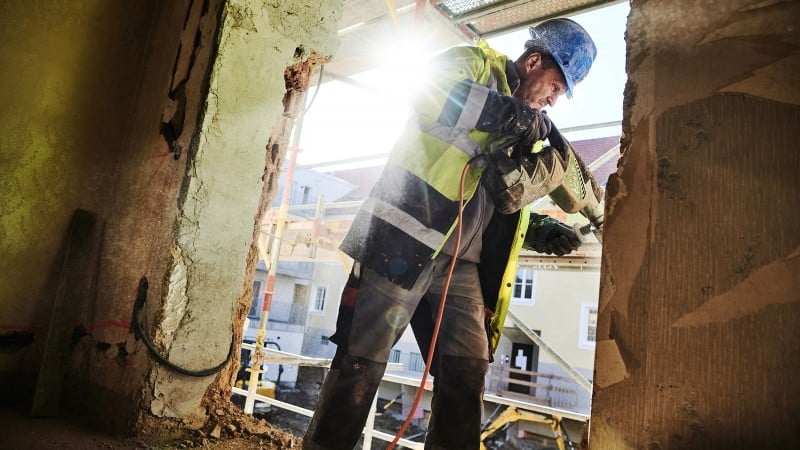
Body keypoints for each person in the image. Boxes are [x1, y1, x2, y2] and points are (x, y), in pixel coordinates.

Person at [303, 18, 597, 450]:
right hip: (401, 244)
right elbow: (429, 94)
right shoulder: (476, 63)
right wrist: (515, 116)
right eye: (555, 85)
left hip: (462, 267)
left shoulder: (526, 130)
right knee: (359, 365)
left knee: (466, 372)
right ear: (534, 60)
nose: (554, 99)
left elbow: (485, 196)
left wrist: (538, 228)